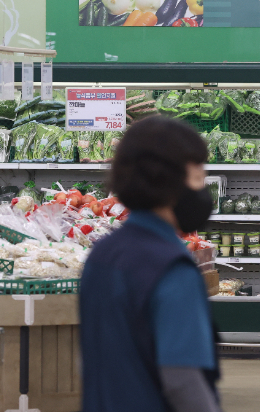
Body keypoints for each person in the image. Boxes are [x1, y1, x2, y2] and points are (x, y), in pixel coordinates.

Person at [79, 116, 222, 412]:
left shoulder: (101, 254)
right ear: (168, 178)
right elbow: (183, 382)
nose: (202, 186)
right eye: (198, 175)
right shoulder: (172, 268)